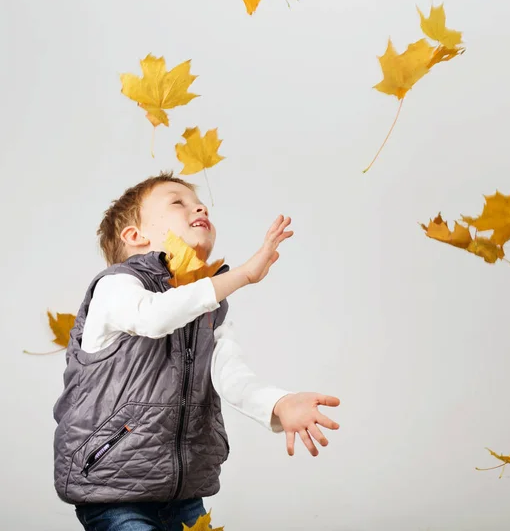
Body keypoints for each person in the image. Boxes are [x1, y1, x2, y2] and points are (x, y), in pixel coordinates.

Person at [52, 172, 340, 531]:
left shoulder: (210, 309)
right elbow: (154, 316)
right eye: (177, 202)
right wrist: (244, 275)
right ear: (134, 236)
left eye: (198, 202)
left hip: (185, 493)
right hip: (113, 490)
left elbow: (233, 377)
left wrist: (280, 404)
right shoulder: (117, 287)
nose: (199, 207)